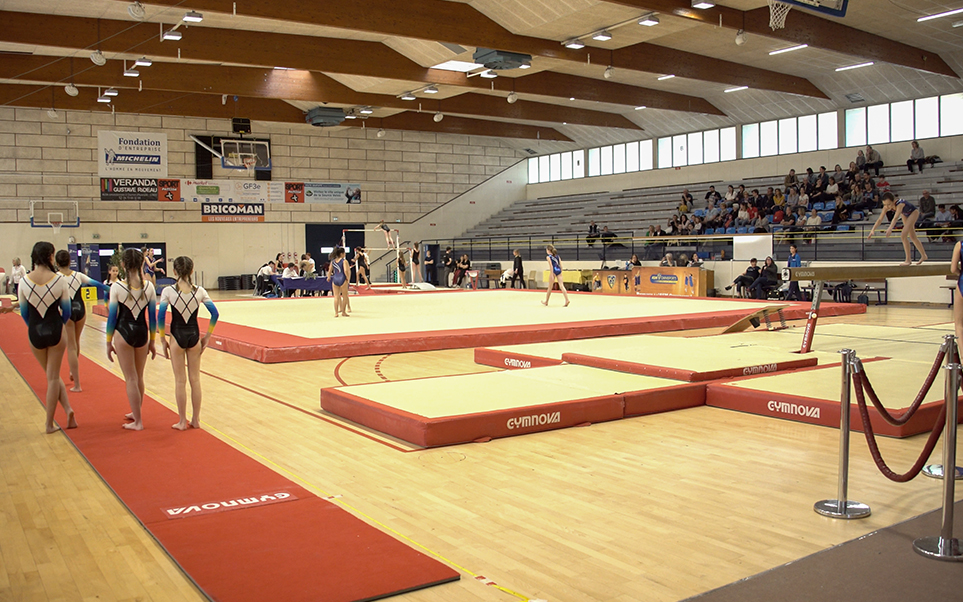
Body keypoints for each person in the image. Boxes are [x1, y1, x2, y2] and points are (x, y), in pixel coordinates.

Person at [18, 242, 77, 434]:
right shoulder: (59, 280)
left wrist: (34, 328)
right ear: (51, 256)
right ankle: (49, 423)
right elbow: (66, 311)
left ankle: (66, 410)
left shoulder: (24, 281)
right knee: (53, 377)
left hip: (35, 331)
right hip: (56, 329)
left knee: (51, 375)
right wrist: (58, 324)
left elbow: (25, 314)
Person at [157, 256, 218, 431]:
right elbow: (215, 314)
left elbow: (161, 317)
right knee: (195, 380)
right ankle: (196, 420)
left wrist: (162, 339)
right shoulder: (200, 291)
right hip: (194, 336)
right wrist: (208, 336)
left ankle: (182, 421)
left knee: (180, 381)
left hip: (176, 336)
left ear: (174, 272)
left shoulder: (168, 291)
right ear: (192, 271)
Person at [106, 248, 157, 431]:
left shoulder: (117, 287)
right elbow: (152, 317)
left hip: (123, 332)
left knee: (130, 378)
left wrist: (107, 342)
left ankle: (138, 421)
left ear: (122, 265)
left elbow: (112, 317)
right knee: (139, 376)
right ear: (142, 263)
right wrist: (152, 341)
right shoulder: (149, 286)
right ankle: (136, 413)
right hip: (142, 332)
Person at [55, 250, 110, 392]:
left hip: (66, 311)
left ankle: (77, 384)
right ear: (69, 262)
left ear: (56, 263)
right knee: (76, 342)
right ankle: (73, 371)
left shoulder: (55, 278)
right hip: (80, 310)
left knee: (71, 346)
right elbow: (101, 286)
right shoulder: (78, 275)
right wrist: (115, 290)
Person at [869, 192, 928, 266]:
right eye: (885, 205)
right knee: (912, 237)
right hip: (904, 214)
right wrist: (873, 229)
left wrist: (890, 228)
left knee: (903, 236)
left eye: (889, 204)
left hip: (913, 212)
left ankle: (908, 260)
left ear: (894, 201)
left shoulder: (900, 204)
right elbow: (880, 219)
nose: (887, 207)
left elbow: (896, 218)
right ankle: (924, 255)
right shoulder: (886, 207)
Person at [326, 247, 350, 317]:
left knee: (336, 296)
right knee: (345, 296)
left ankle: (336, 313)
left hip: (335, 279)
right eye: (344, 253)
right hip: (342, 278)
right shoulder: (344, 261)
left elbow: (330, 270)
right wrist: (347, 278)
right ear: (342, 254)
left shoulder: (333, 261)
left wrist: (328, 277)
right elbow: (345, 270)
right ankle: (343, 312)